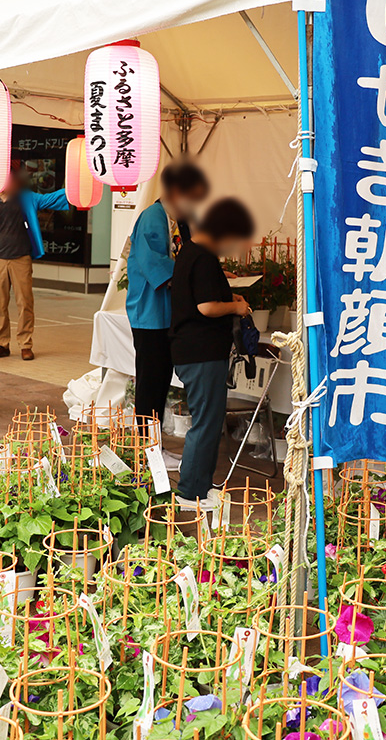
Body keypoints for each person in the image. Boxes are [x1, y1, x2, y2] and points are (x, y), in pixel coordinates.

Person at [168, 197, 255, 510]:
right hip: (201, 351)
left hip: (195, 350)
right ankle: (191, 493)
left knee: (207, 420)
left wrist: (227, 295)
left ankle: (200, 487)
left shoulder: (191, 252)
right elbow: (205, 307)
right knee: (205, 422)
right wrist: (236, 307)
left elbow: (199, 295)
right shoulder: (202, 256)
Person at [126, 161, 210, 435]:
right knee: (151, 383)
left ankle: (153, 445)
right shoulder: (153, 217)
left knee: (160, 381)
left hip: (162, 314)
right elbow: (157, 265)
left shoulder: (173, 218)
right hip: (150, 314)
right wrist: (197, 278)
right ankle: (146, 448)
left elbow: (186, 259)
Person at [0, 168, 71, 361]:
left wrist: (76, 190)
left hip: (21, 258)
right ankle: (1, 344)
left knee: (25, 302)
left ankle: (26, 344)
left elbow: (51, 199)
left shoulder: (27, 198)